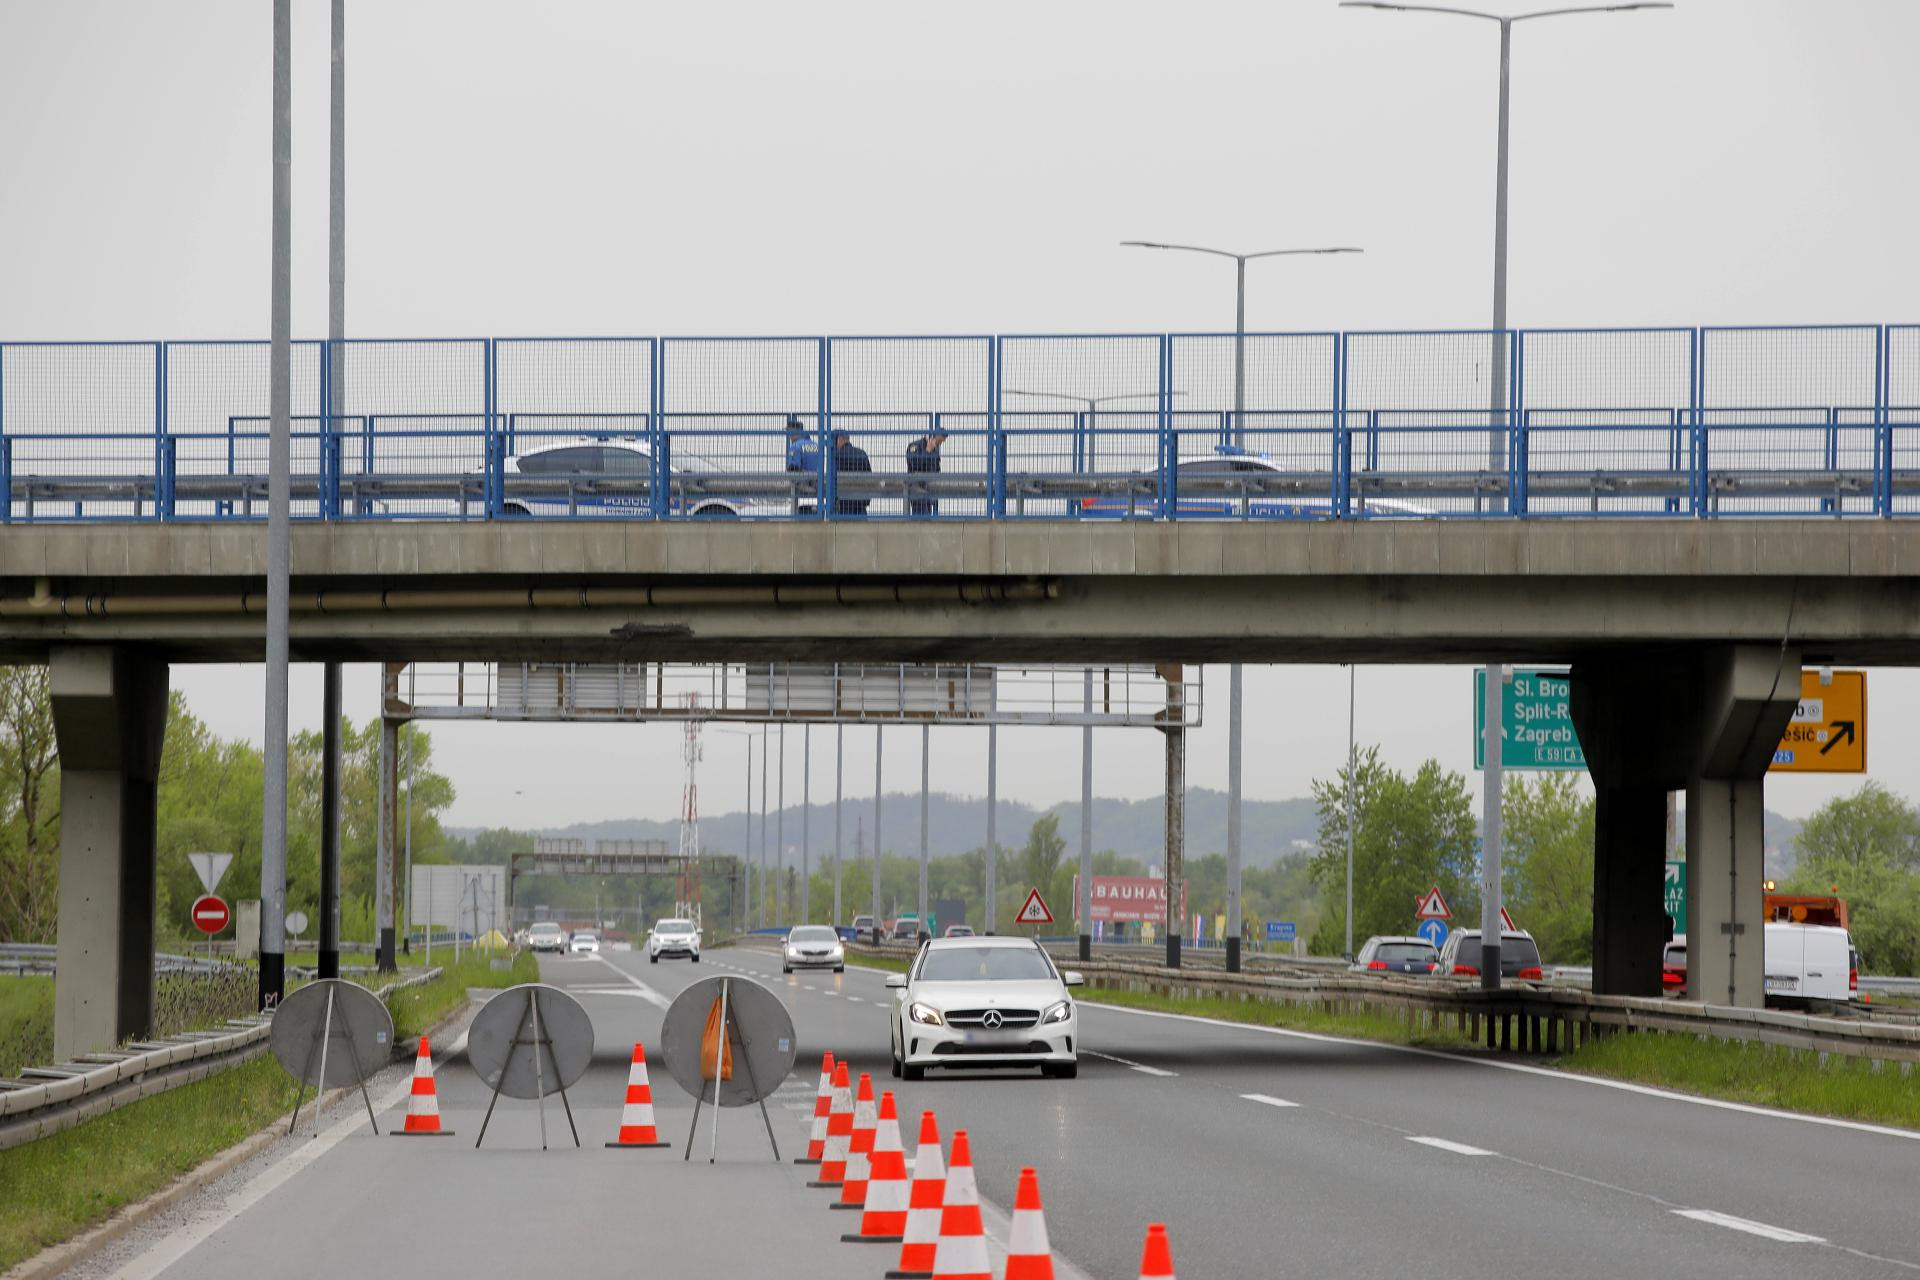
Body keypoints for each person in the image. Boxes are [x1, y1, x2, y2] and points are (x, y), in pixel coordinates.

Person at [904, 426, 947, 516]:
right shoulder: (915, 446)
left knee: (927, 516)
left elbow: (936, 469)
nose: (939, 444)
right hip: (917, 487)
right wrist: (927, 451)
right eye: (939, 441)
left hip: (928, 489)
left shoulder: (934, 451)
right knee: (920, 516)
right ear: (934, 437)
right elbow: (914, 464)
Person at [784, 415, 818, 513]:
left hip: (802, 482)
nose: (789, 436)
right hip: (816, 481)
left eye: (789, 433)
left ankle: (794, 515)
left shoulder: (795, 446)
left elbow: (794, 467)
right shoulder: (815, 445)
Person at [833, 431, 870, 516]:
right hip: (860, 499)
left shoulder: (838, 455)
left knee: (844, 522)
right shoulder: (862, 453)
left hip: (844, 500)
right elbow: (869, 476)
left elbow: (834, 477)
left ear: (840, 439)